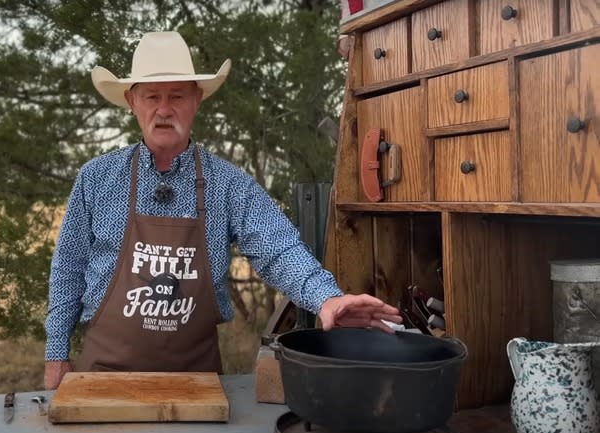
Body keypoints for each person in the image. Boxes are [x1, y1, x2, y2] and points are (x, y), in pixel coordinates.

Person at [43, 31, 401, 389]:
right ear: (132, 102)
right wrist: (56, 353)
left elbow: (279, 248)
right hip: (105, 375)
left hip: (195, 382)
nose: (164, 109)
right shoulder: (96, 178)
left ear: (196, 100)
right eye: (152, 96)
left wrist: (327, 299)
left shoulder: (228, 184)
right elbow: (68, 271)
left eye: (177, 96)